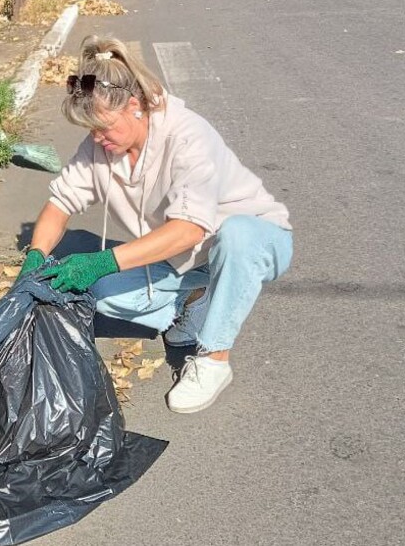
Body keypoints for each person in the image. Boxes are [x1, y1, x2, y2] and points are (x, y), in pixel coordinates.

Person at [17, 36, 293, 414]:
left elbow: (190, 230)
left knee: (238, 235)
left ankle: (213, 359)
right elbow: (59, 205)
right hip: (180, 257)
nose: (97, 138)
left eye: (104, 127)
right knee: (100, 294)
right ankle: (194, 301)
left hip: (255, 240)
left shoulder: (188, 136)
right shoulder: (101, 145)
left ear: (135, 106)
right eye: (90, 129)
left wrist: (101, 261)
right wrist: (35, 255)